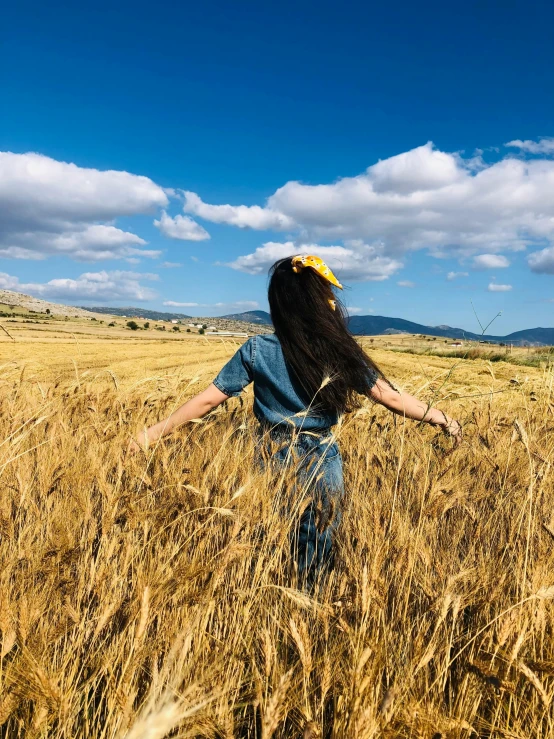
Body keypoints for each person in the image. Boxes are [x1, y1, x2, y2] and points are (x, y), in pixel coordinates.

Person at [128, 255, 462, 589]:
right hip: (321, 457)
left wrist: (152, 433)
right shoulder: (338, 349)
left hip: (270, 453)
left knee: (271, 535)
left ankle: (269, 595)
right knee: (318, 541)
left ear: (278, 303)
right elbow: (389, 397)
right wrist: (441, 418)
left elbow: (208, 399)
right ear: (321, 301)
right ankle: (311, 600)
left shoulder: (257, 349)